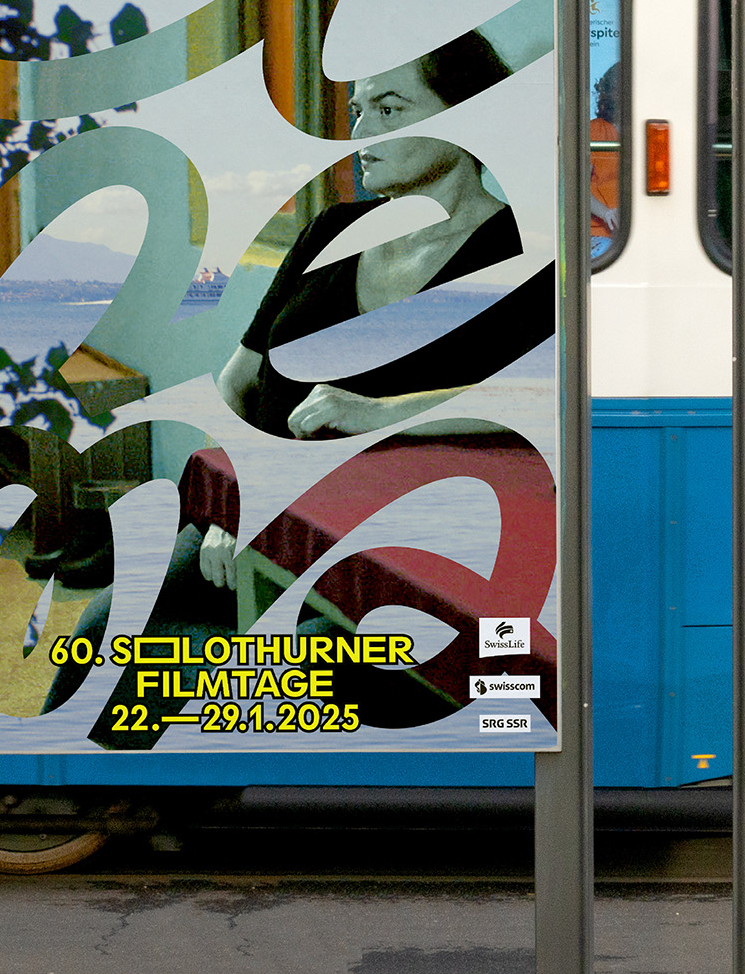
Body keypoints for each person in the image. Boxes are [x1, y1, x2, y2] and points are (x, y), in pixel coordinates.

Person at [198, 30, 539, 591]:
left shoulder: (523, 253)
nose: (361, 132)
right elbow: (237, 385)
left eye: (389, 109)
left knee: (289, 663)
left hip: (384, 546)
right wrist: (229, 503)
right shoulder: (330, 231)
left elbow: (543, 398)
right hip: (260, 518)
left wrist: (384, 412)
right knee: (98, 633)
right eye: (358, 111)